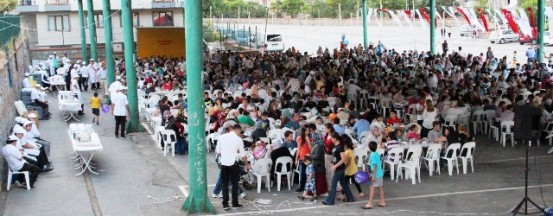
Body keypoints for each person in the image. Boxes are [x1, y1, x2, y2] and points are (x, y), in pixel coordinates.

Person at [215, 124, 252, 210]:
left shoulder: (221, 137)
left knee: (225, 184)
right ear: (238, 130)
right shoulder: (238, 139)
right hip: (233, 164)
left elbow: (218, 151)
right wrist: (247, 164)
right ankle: (235, 203)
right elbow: (243, 155)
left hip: (224, 163)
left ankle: (225, 204)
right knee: (235, 184)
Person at [323, 132, 354, 205]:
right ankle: (350, 198)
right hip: (337, 167)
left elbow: (343, 159)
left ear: (335, 138)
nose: (331, 140)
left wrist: (335, 166)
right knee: (344, 184)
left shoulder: (340, 146)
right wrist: (332, 164)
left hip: (339, 168)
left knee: (333, 184)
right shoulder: (335, 145)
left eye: (332, 139)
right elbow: (336, 157)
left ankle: (329, 201)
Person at [361, 141, 386, 209]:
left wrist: (373, 175)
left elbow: (374, 166)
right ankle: (382, 201)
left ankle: (370, 203)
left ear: (369, 148)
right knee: (380, 187)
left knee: (372, 188)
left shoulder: (372, 155)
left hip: (376, 174)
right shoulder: (377, 153)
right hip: (380, 173)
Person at [342, 134, 364, 198]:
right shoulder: (351, 150)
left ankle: (342, 194)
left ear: (345, 145)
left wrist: (344, 168)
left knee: (345, 182)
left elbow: (348, 163)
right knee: (355, 182)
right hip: (353, 169)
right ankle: (361, 193)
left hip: (350, 170)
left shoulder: (347, 152)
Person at [295, 127, 311, 193]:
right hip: (301, 158)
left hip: (308, 158)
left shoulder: (309, 138)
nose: (307, 132)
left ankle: (308, 188)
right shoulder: (299, 138)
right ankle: (301, 187)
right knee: (302, 174)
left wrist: (308, 141)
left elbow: (311, 149)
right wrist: (296, 159)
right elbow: (298, 149)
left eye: (308, 130)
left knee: (308, 173)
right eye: (306, 130)